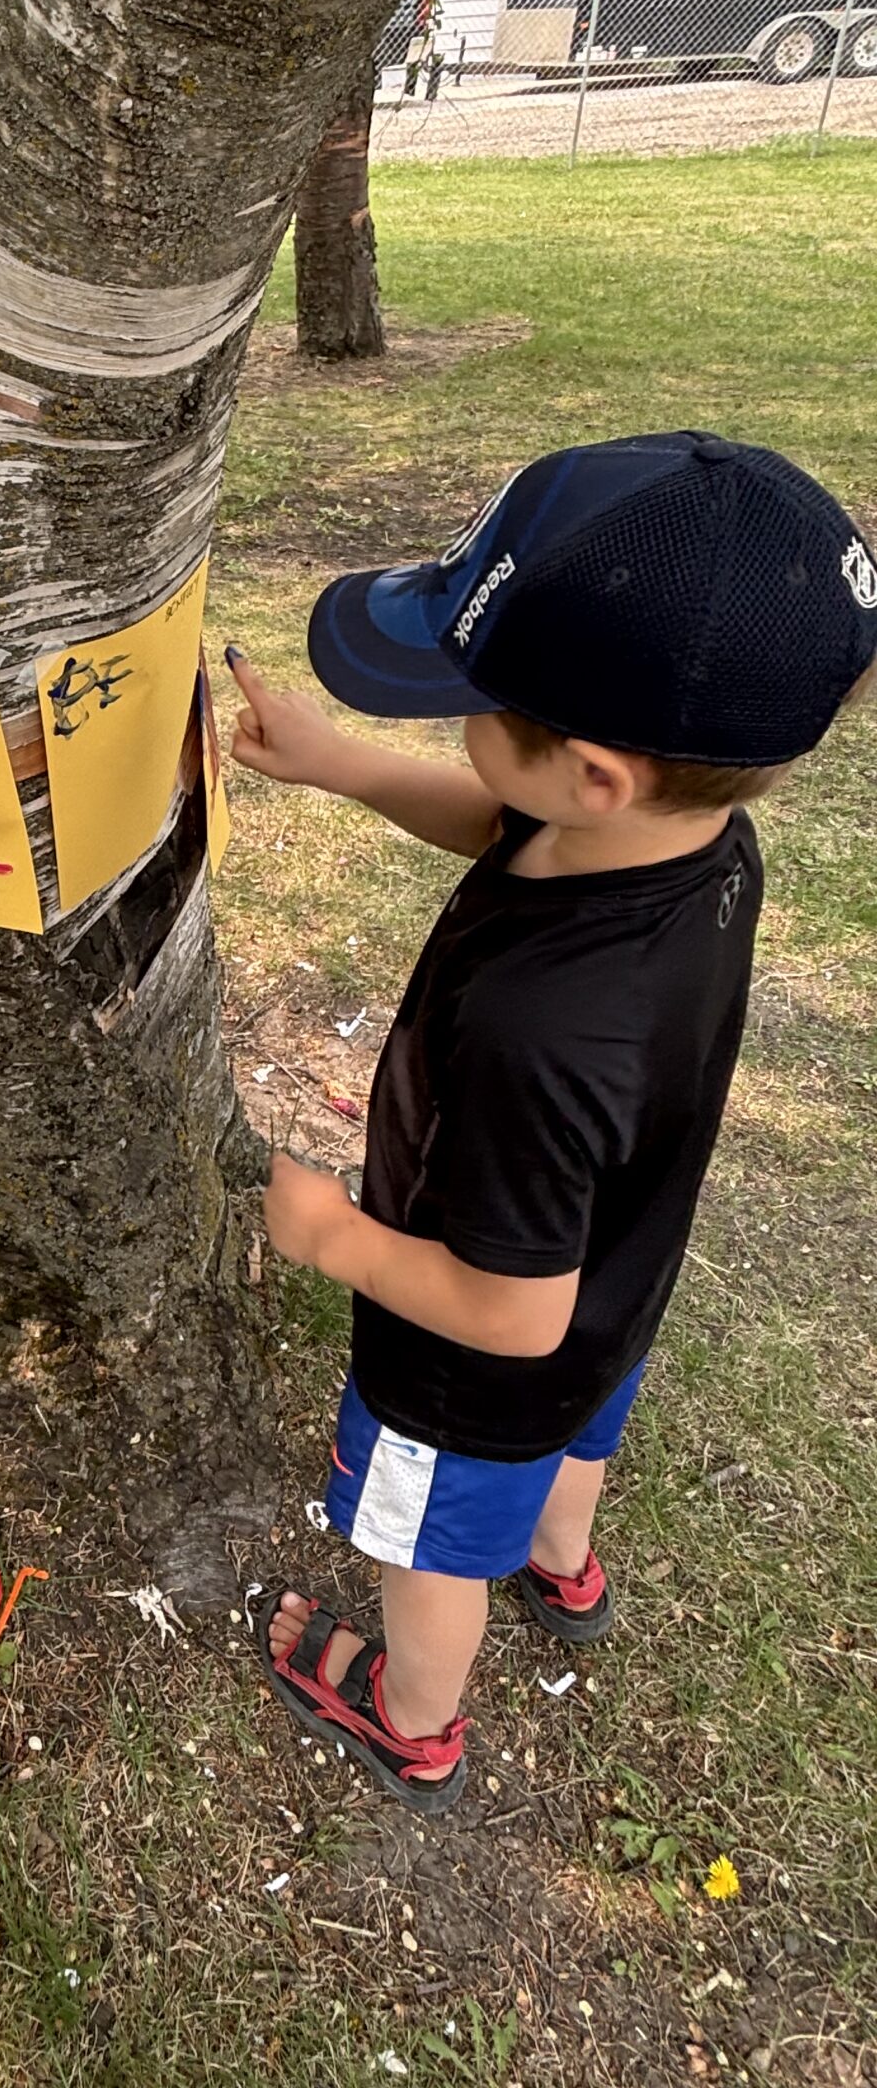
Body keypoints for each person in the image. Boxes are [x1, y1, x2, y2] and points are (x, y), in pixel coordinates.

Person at [228, 432, 877, 1813]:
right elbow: (504, 823)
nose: (455, 715)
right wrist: (344, 765)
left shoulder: (543, 1031)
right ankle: (562, 1560)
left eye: (474, 695)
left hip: (474, 1369)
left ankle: (414, 1715)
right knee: (575, 1431)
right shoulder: (694, 838)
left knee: (432, 1548)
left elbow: (511, 1313)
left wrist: (332, 1234)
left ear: (594, 772)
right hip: (618, 1294)